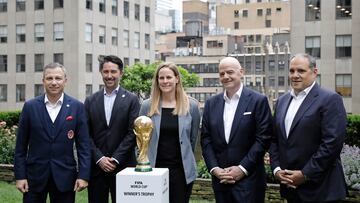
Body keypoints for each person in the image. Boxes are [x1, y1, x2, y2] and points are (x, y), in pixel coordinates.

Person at [269, 53, 347, 202]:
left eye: (301, 71)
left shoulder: (330, 99)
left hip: (322, 191)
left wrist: (305, 174)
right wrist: (277, 169)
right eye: (292, 71)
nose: (295, 75)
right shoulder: (282, 101)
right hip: (291, 189)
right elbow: (274, 139)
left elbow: (332, 144)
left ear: (314, 72)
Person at [14, 63, 91, 203]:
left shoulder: (77, 107)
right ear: (43, 81)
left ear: (65, 81)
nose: (54, 82)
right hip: (34, 178)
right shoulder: (30, 107)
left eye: (58, 78)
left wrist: (83, 176)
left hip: (65, 177)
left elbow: (84, 146)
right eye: (49, 78)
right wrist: (20, 176)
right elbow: (20, 147)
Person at [201, 57, 272, 203]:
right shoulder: (211, 104)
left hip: (249, 180)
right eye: (222, 74)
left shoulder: (258, 100)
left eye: (230, 72)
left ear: (241, 72)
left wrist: (242, 168)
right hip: (221, 181)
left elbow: (263, 139)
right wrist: (215, 169)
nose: (226, 77)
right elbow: (206, 139)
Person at [139, 62, 201, 203]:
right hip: (154, 169)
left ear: (177, 79)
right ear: (157, 81)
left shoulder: (191, 106)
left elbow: (192, 140)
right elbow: (141, 140)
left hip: (181, 172)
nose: (165, 81)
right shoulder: (147, 106)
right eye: (161, 78)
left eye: (169, 77)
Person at [84, 55, 140, 203]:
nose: (109, 76)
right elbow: (85, 134)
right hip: (97, 169)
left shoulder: (132, 100)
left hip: (123, 166)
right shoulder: (90, 101)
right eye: (106, 71)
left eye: (113, 72)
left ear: (120, 73)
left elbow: (132, 133)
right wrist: (100, 158)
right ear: (101, 73)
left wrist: (115, 159)